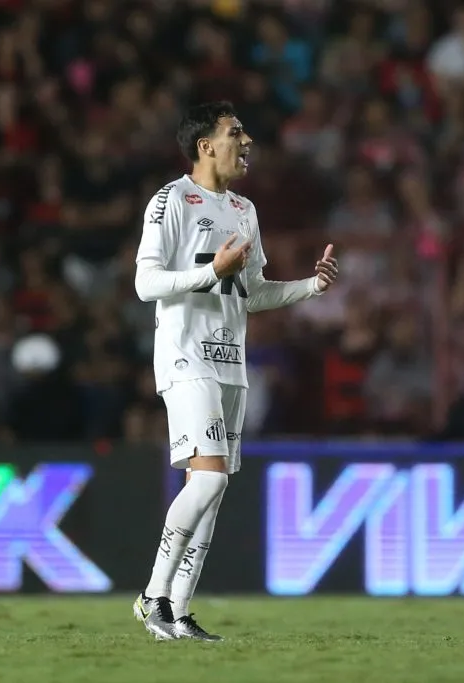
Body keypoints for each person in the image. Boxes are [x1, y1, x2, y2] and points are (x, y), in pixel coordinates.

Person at [131, 101, 339, 641]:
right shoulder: (170, 200)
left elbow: (253, 293)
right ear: (206, 145)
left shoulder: (244, 210)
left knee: (213, 489)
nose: (247, 141)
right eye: (235, 132)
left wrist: (310, 288)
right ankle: (153, 596)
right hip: (185, 354)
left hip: (231, 362)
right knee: (212, 475)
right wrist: (207, 271)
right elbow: (146, 283)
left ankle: (176, 611)